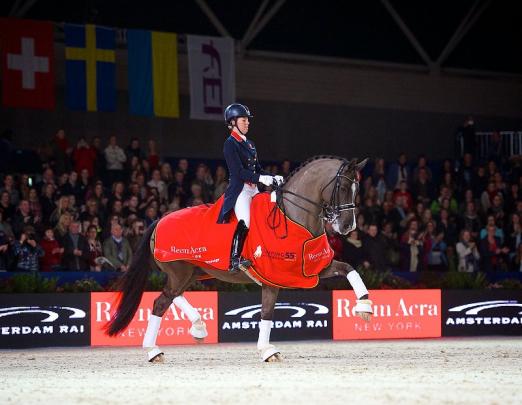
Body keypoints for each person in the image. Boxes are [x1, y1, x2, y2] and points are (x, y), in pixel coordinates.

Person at [217, 103, 283, 273]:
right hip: (241, 190)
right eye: (244, 120)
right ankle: (234, 259)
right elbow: (238, 172)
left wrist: (272, 176)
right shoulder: (230, 144)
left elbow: (257, 169)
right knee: (245, 220)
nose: (247, 123)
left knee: (269, 215)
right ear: (233, 122)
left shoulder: (250, 144)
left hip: (254, 189)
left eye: (247, 120)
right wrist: (262, 178)